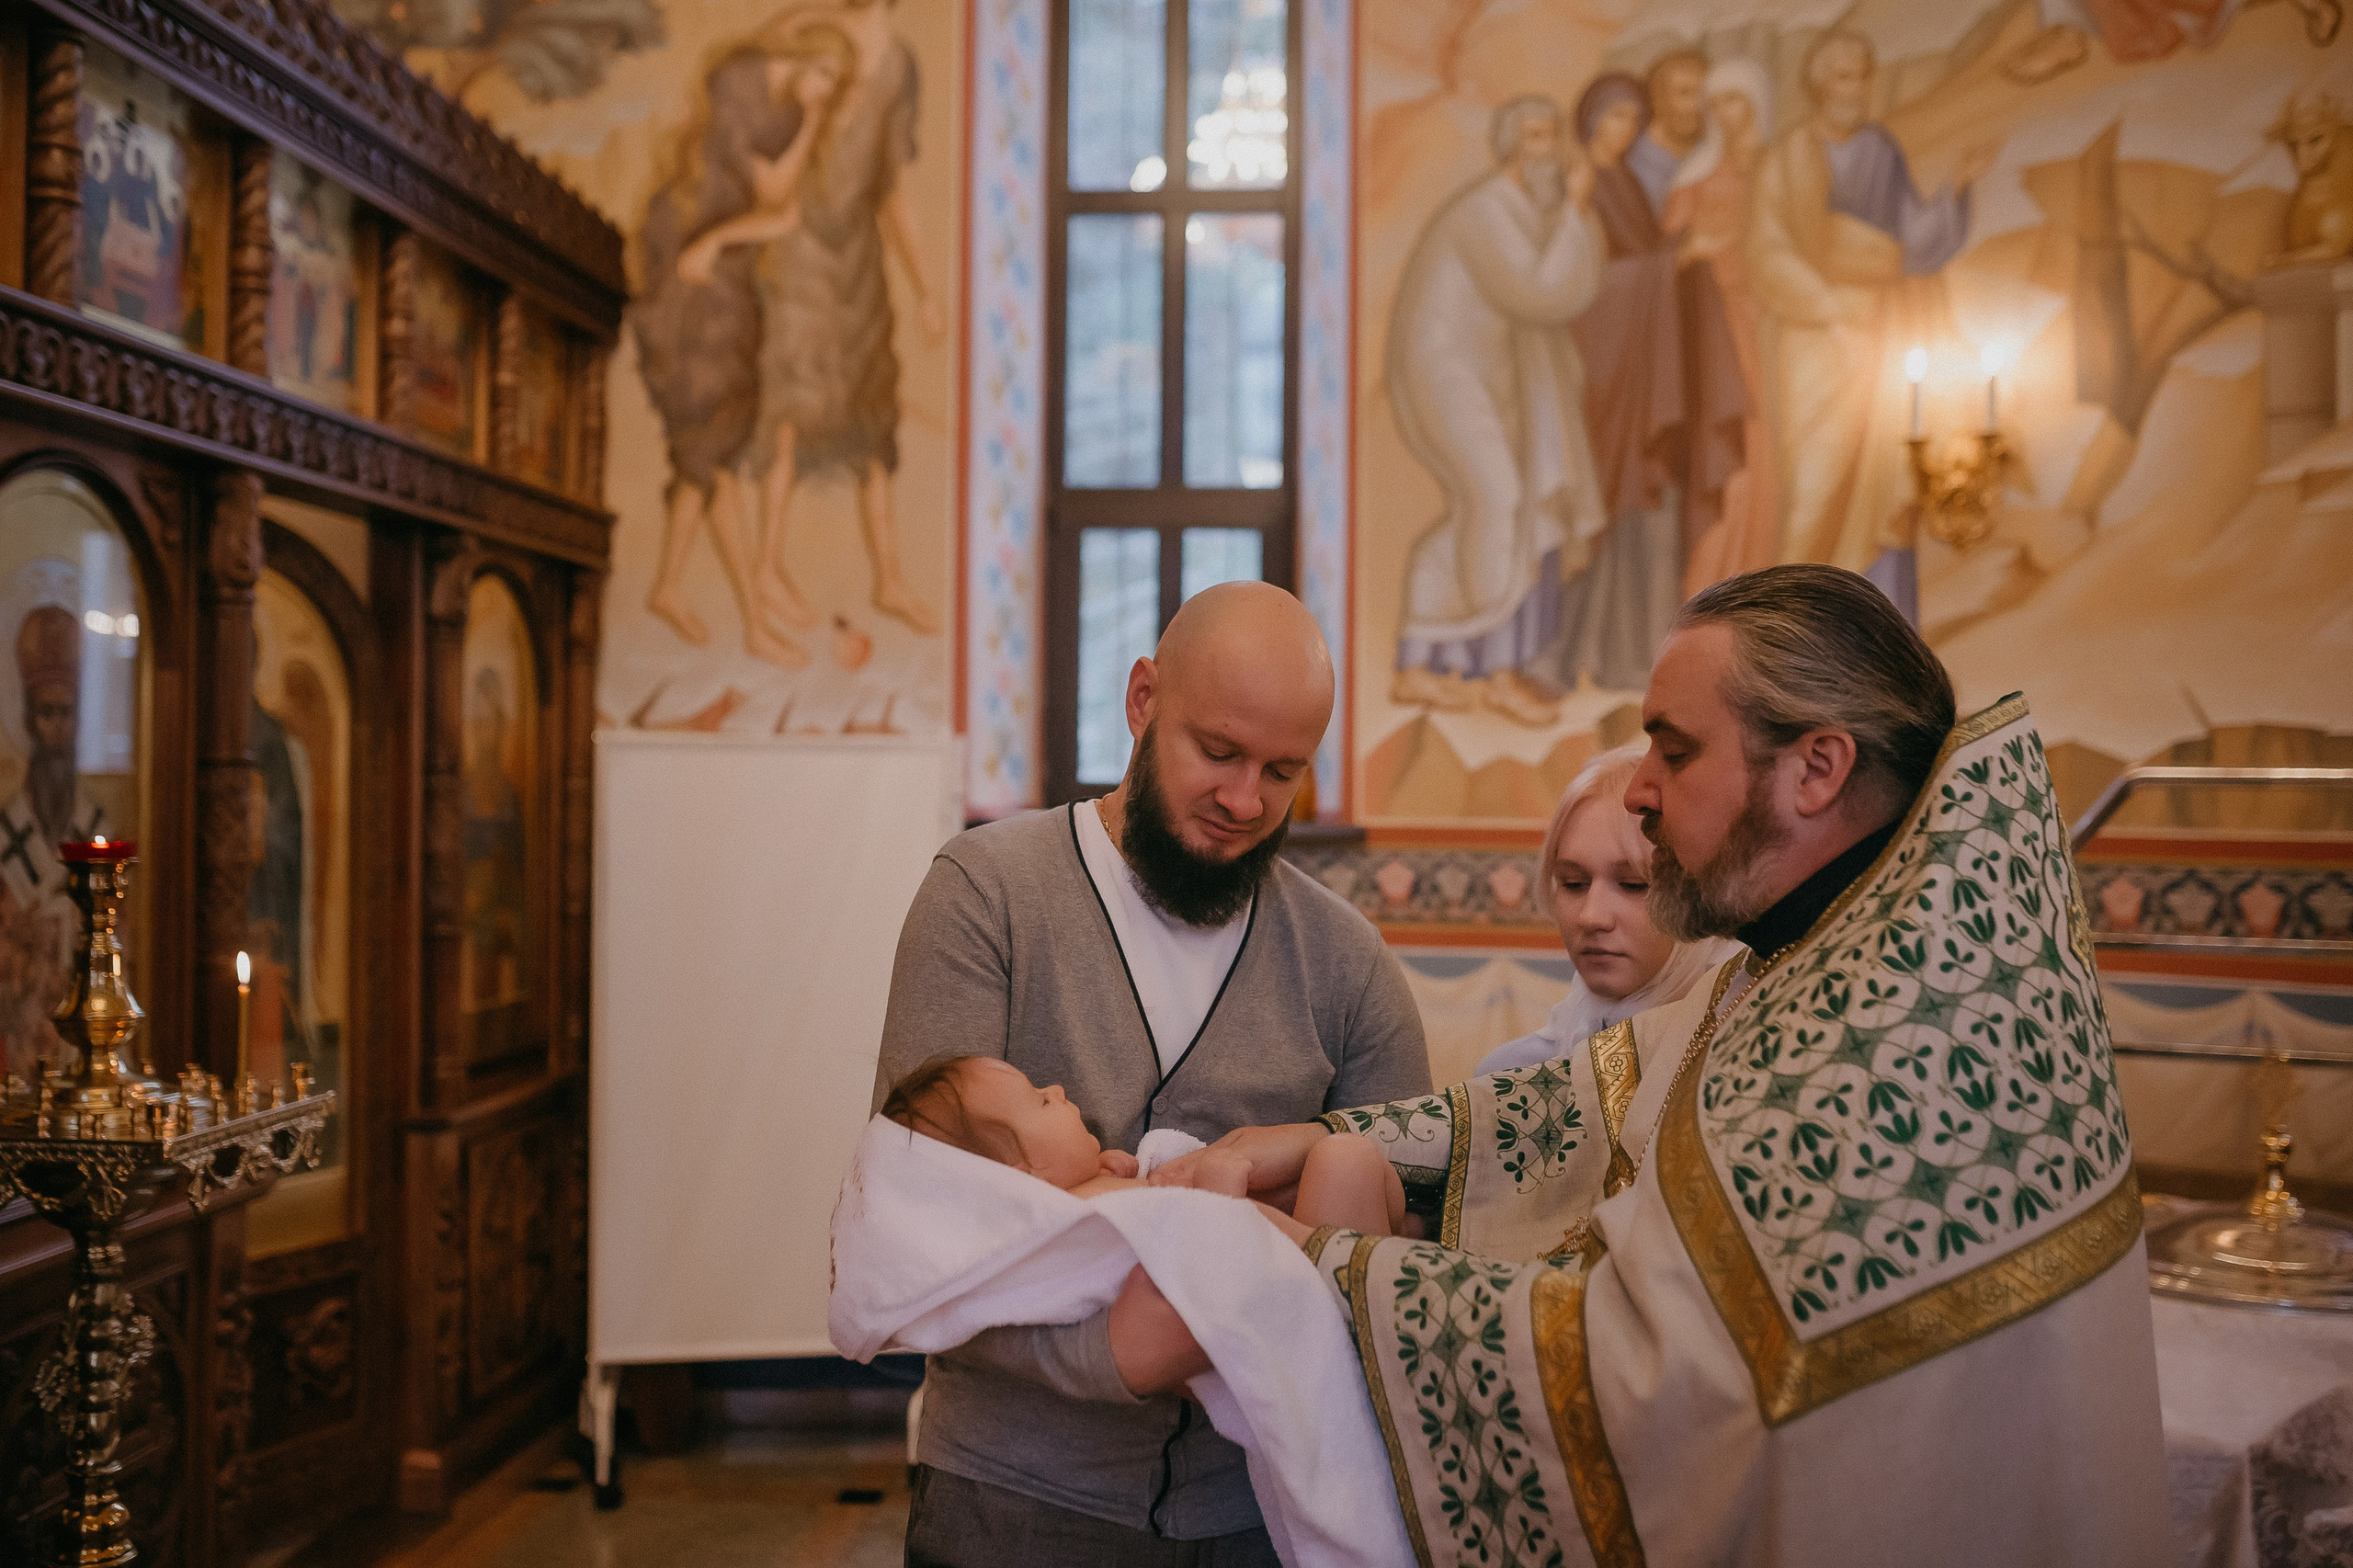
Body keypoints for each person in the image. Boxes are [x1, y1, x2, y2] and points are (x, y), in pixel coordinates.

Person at [1148, 564, 2171, 1567]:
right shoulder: (1844, 952)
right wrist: (1335, 1139)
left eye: (1673, 752)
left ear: (1816, 768)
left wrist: (1309, 1264)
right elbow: (1590, 1098)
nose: (1637, 789)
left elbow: (1643, 1386)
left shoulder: (1900, 1038)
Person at [872, 579, 1431, 1566]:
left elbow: (1408, 1242)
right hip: (1012, 1497)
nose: (1244, 799)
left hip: (1257, 1513)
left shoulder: (1346, 964)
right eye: (1216, 751)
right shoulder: (986, 897)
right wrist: (1115, 1355)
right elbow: (921, 1228)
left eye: (1281, 770)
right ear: (1141, 700)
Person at [1747, 30, 1993, 616]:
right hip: (1816, 338)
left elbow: (1910, 243)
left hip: (1883, 332)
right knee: (1816, 485)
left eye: (1863, 75)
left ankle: (1882, 632)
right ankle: (1798, 631)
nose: (1857, 89)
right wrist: (1831, 306)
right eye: (1844, 77)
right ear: (1817, 85)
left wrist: (1955, 191)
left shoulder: (1882, 150)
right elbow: (1766, 251)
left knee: (1888, 480)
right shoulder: (1787, 158)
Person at [635, 27, 853, 665]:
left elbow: (780, 204)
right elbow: (774, 208)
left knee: (708, 457)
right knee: (707, 453)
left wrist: (810, 118)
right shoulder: (739, 92)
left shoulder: (781, 117)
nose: (824, 95)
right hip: (692, 298)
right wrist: (712, 242)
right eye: (824, 80)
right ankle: (709, 601)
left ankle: (694, 594)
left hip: (717, 293)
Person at [1386, 95, 1605, 728]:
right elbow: (1540, 293)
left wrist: (1573, 214)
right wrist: (1577, 209)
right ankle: (1468, 667)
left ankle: (1434, 664)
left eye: (1554, 135)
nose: (1550, 150)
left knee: (1504, 505)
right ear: (1510, 144)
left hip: (1492, 378)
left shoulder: (1526, 212)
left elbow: (1569, 287)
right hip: (1446, 373)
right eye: (1535, 136)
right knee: (1500, 500)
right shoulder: (1484, 211)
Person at [881, 1055, 1406, 1235]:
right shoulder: (1081, 1218)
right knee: (1346, 1159)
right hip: (1290, 1296)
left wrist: (1104, 1170)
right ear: (1029, 1177)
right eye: (1041, 1102)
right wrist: (1221, 1183)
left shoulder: (1088, 1192)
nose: (1058, 1090)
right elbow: (1196, 1255)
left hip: (1295, 1252)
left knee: (1353, 1162)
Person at [1474, 741, 1738, 1076]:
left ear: (1701, 892)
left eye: (1633, 885)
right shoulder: (1510, 1080)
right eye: (1573, 883)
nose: (1591, 917)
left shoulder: (1739, 1076)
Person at [1556, 73, 1690, 694]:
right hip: (1602, 368)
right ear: (1591, 119)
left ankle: (1619, 656)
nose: (1626, 130)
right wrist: (1668, 265)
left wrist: (1676, 255)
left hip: (1633, 363)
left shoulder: (1626, 183)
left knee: (1631, 515)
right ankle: (1559, 659)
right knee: (1595, 516)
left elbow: (1641, 255)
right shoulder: (1580, 179)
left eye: (1634, 119)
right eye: (1615, 118)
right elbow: (1577, 282)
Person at [1667, 58, 1780, 591]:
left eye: (1733, 99)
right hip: (1719, 330)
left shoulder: (1778, 168)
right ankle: (1714, 581)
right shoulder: (1695, 177)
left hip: (1776, 326)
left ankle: (1763, 582)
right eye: (1715, 103)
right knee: (1735, 454)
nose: (1723, 113)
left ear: (1755, 103)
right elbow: (1667, 258)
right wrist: (1697, 249)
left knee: (1772, 455)